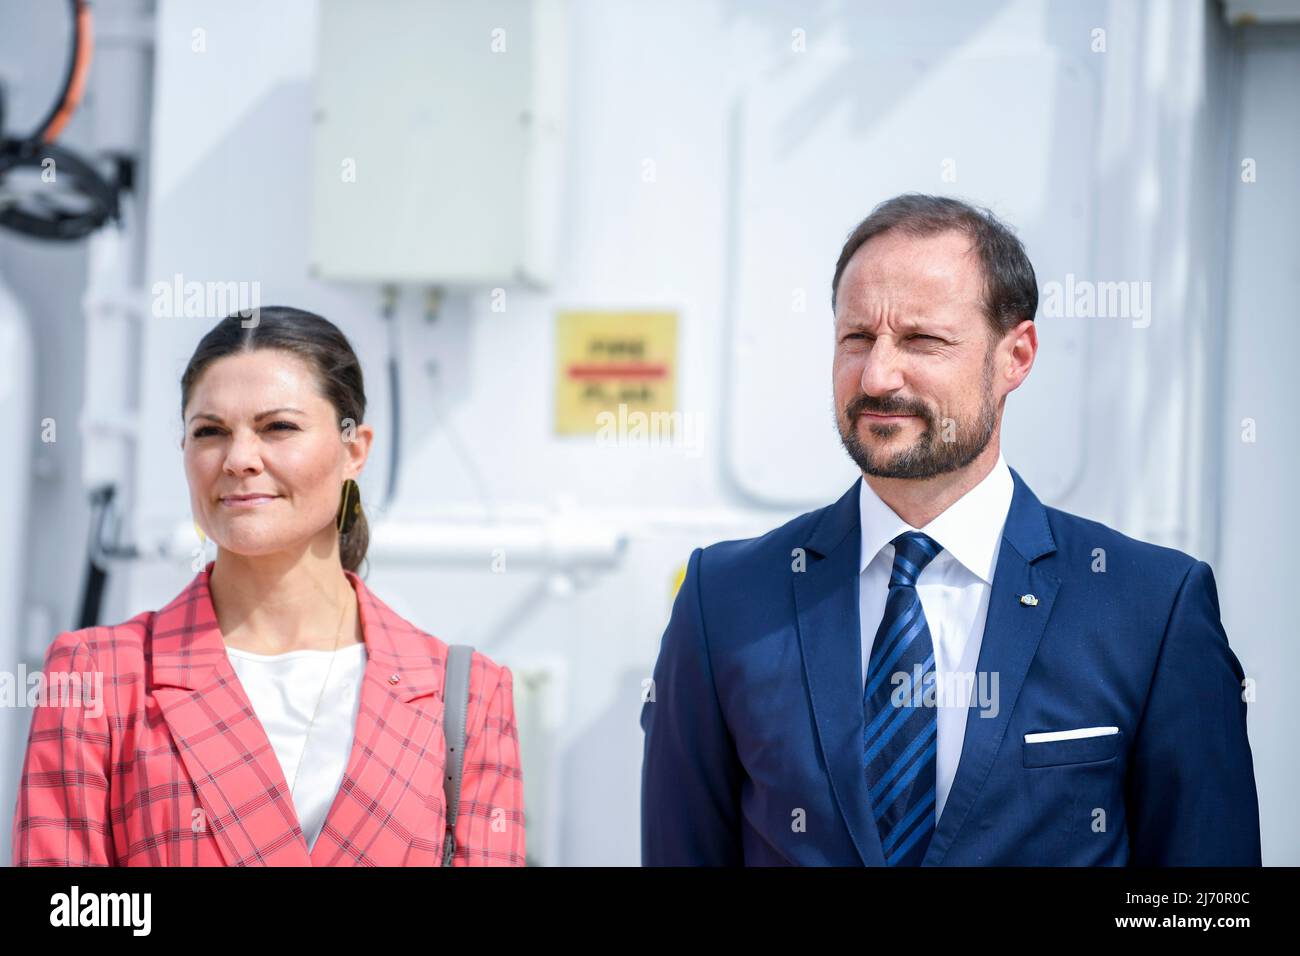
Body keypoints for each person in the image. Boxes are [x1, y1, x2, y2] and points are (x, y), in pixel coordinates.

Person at [640, 194, 1261, 866]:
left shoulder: (1149, 607)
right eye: (856, 338)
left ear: (1016, 356)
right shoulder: (725, 600)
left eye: (922, 340)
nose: (878, 375)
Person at [12, 306, 525, 866]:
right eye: (209, 432)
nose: (238, 459)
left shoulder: (465, 695)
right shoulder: (99, 676)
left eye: (278, 427)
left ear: (354, 449)